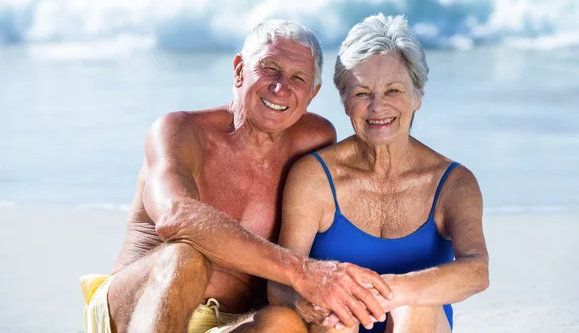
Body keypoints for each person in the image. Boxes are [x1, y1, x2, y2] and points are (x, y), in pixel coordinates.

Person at [79, 20, 393, 333]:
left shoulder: (315, 141)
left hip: (233, 323)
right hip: (137, 310)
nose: (280, 87)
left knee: (283, 322)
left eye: (298, 78)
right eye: (270, 69)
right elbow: (174, 214)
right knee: (185, 257)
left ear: (312, 94)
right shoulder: (180, 131)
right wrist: (302, 272)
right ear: (240, 70)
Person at [268, 14, 490, 332]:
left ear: (418, 95)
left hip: (420, 324)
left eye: (393, 91)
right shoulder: (313, 177)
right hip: (333, 327)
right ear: (344, 101)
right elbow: (280, 283)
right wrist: (317, 300)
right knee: (337, 316)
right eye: (361, 93)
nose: (377, 107)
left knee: (415, 306)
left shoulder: (453, 183)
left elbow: (476, 271)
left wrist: (387, 293)